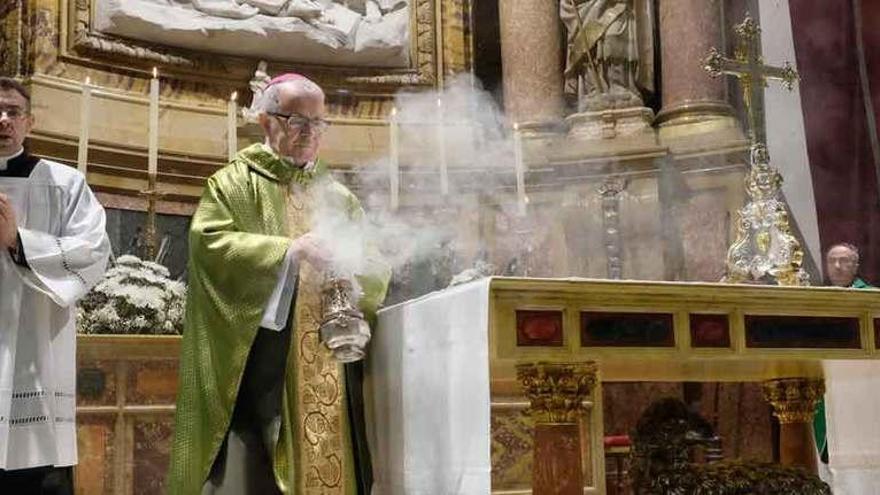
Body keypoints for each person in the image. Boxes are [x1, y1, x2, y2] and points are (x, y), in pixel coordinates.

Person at [167, 73, 389, 494]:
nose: (309, 133)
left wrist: (353, 272)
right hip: (264, 362)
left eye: (318, 123)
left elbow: (376, 264)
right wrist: (288, 252)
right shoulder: (233, 183)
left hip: (331, 356)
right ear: (267, 121)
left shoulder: (340, 197)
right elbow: (208, 245)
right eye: (296, 121)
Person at [0, 77, 111, 493]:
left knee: (35, 473)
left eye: (13, 111)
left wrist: (19, 242)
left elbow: (92, 250)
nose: (3, 119)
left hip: (37, 344)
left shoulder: (64, 183)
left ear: (30, 121)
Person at [814, 242, 872, 474]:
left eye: (844, 261)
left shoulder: (871, 297)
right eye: (831, 261)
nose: (837, 266)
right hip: (828, 379)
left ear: (856, 266)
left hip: (864, 382)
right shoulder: (816, 299)